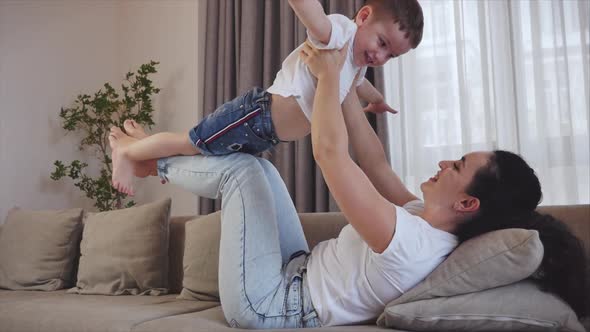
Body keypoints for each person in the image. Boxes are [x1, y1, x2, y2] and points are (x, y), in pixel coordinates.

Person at [108, 43, 587, 329]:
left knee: (245, 171)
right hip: (296, 268)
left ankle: (151, 161)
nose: (445, 161)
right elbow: (373, 162)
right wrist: (351, 89)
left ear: (467, 201)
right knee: (264, 168)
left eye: (458, 164)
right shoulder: (421, 216)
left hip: (272, 306)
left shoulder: (412, 242)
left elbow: (331, 156)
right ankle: (149, 158)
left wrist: (330, 73)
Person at [110, 0, 424, 196]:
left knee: (204, 158)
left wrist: (378, 98)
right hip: (255, 115)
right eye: (382, 43)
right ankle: (127, 152)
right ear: (364, 16)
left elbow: (359, 87)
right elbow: (312, 14)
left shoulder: (356, 64)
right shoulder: (340, 36)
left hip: (266, 135)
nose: (380, 56)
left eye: (391, 56)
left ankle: (144, 150)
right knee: (189, 143)